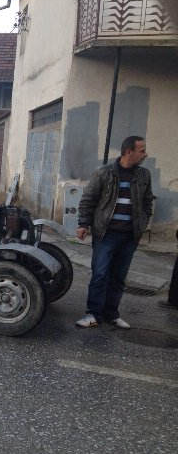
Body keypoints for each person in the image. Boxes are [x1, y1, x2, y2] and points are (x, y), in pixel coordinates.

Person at [75, 136, 154, 329]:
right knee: (100, 274)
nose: (145, 154)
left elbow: (147, 201)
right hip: (106, 234)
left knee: (119, 276)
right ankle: (92, 314)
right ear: (129, 152)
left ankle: (112, 314)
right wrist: (83, 224)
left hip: (129, 236)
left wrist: (142, 224)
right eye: (141, 150)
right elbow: (88, 199)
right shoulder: (104, 173)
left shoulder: (144, 175)